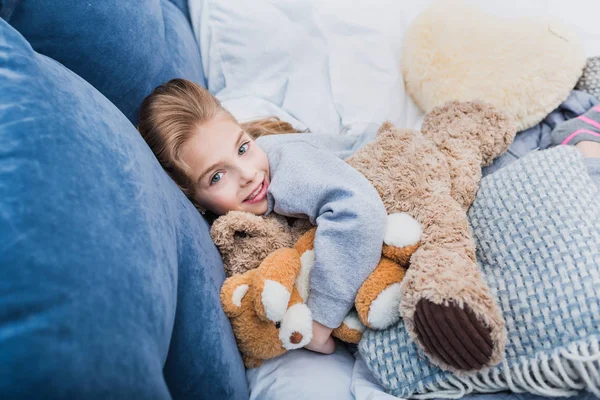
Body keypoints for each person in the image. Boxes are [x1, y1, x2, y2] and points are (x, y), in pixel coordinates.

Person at [137, 78, 387, 355]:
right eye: (217, 176)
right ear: (192, 199)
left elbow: (359, 212)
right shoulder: (238, 211)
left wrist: (320, 322)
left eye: (243, 148)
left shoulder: (289, 171)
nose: (247, 175)